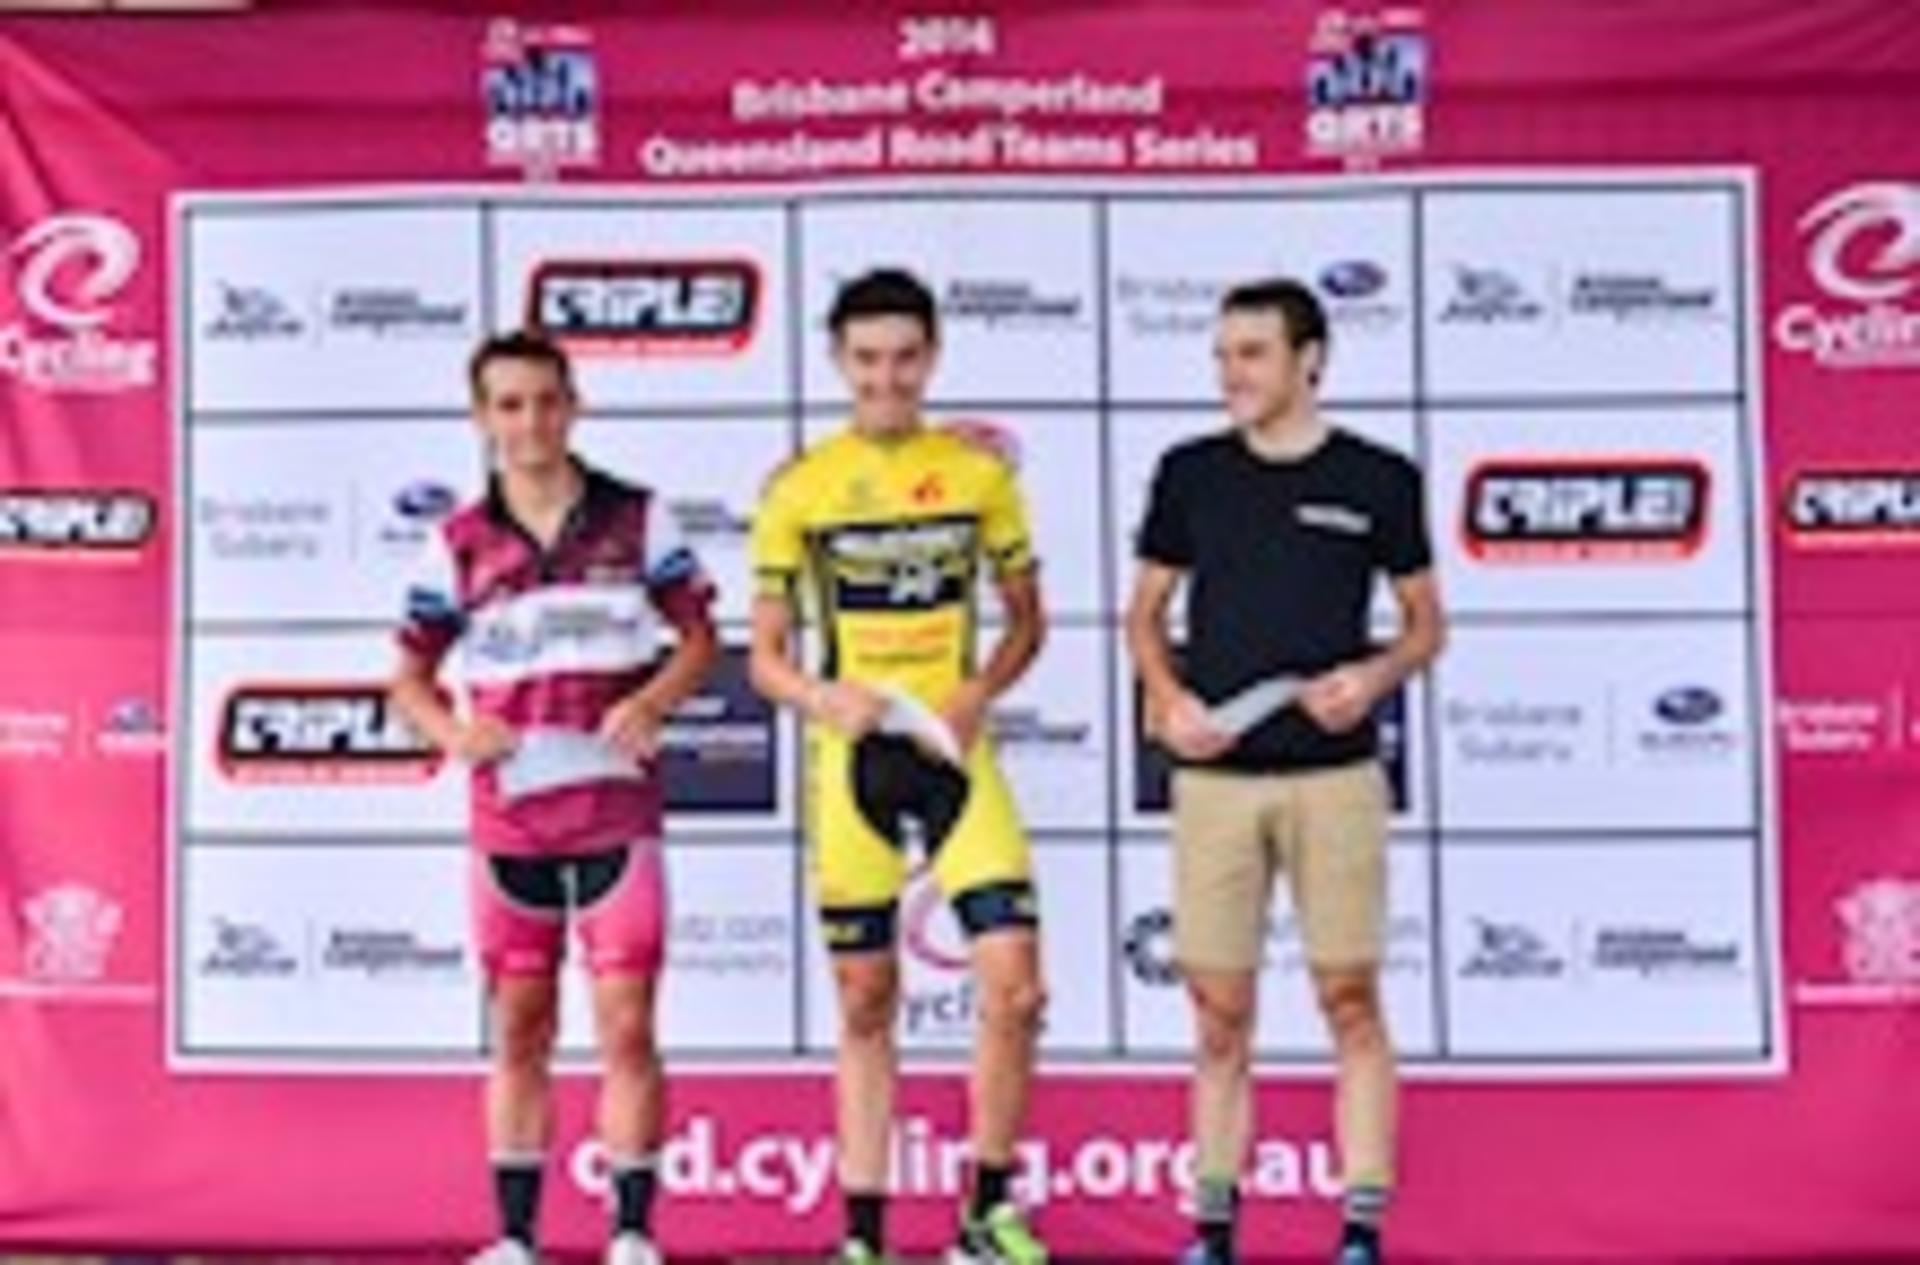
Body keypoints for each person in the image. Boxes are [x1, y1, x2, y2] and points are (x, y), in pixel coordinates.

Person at [1124, 279, 1444, 1265]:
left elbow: (1426, 625)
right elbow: (1144, 616)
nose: (1232, 372)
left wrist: (1376, 675)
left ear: (1311, 359)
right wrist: (1168, 696)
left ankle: (1360, 1231)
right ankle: (1213, 1231)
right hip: (1216, 785)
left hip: (1335, 779)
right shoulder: (1189, 472)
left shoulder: (1380, 477)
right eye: (1223, 354)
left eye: (1253, 353)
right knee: (1219, 1016)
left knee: (1350, 1000)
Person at [390, 330, 719, 1265]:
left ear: (573, 405)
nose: (530, 422)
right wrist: (454, 733)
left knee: (628, 1024)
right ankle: (515, 1239)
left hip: (616, 809)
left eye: (546, 400)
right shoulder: (455, 541)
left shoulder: (639, 517)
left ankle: (632, 1235)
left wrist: (652, 701)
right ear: (482, 417)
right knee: (521, 1026)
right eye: (509, 404)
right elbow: (407, 679)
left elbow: (701, 640)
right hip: (511, 820)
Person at [747, 268, 1050, 1264]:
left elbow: (1028, 622)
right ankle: (863, 1237)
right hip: (852, 764)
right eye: (868, 359)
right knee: (866, 1000)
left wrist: (978, 690)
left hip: (954, 751)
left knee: (1015, 986)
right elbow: (764, 659)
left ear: (932, 358)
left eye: (905, 358)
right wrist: (819, 695)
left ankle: (986, 1215)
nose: (887, 379)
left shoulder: (977, 475)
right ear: (840, 361)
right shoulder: (799, 487)